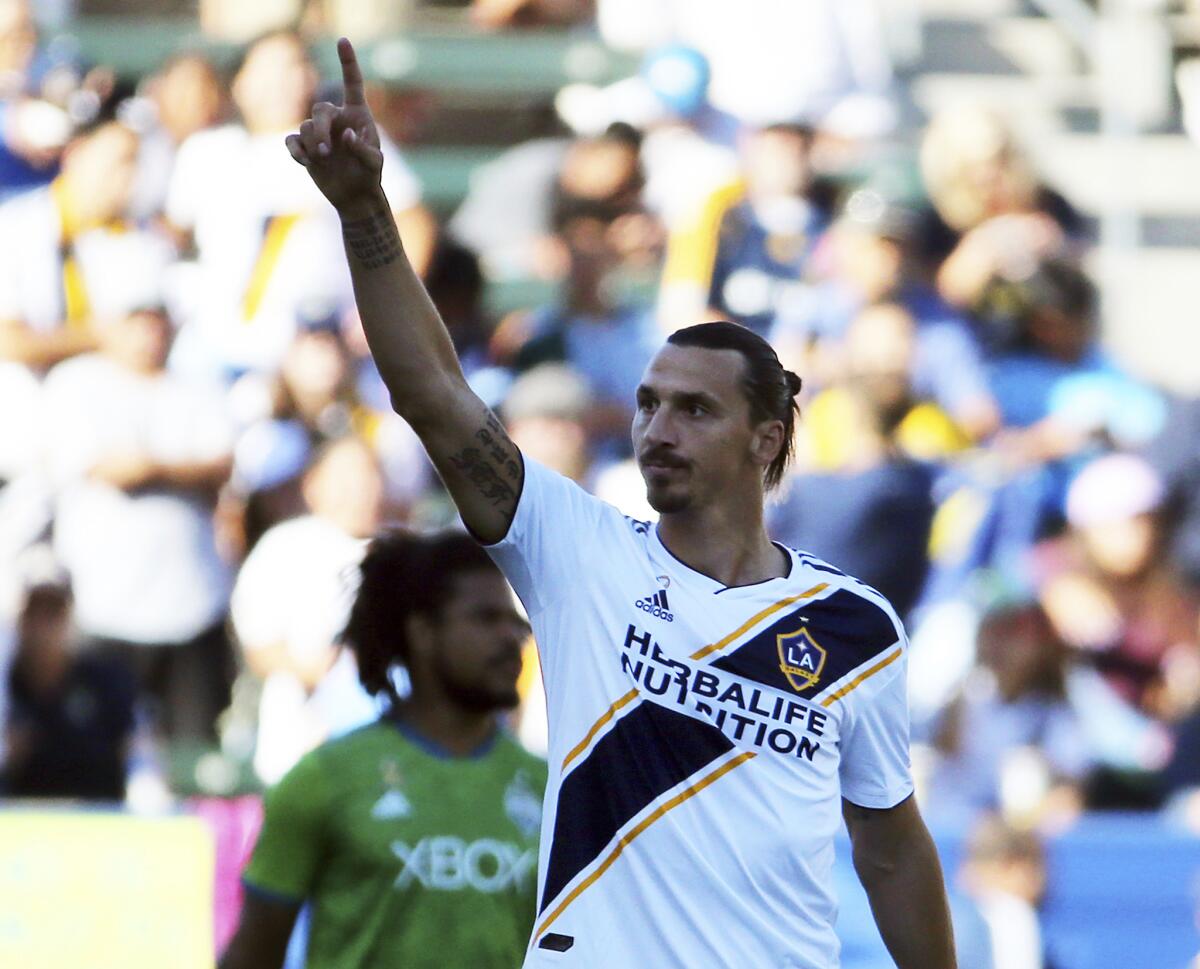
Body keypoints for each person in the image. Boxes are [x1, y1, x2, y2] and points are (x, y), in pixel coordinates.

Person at [284, 39, 955, 968]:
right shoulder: (579, 550)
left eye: (693, 408)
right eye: (645, 403)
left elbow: (890, 845)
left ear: (766, 439)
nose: (657, 429)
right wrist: (365, 209)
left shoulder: (853, 626)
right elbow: (433, 394)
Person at [219, 529, 546, 969]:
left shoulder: (553, 790)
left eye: (517, 623)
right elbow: (252, 954)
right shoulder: (324, 779)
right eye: (486, 619)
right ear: (422, 632)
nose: (513, 638)